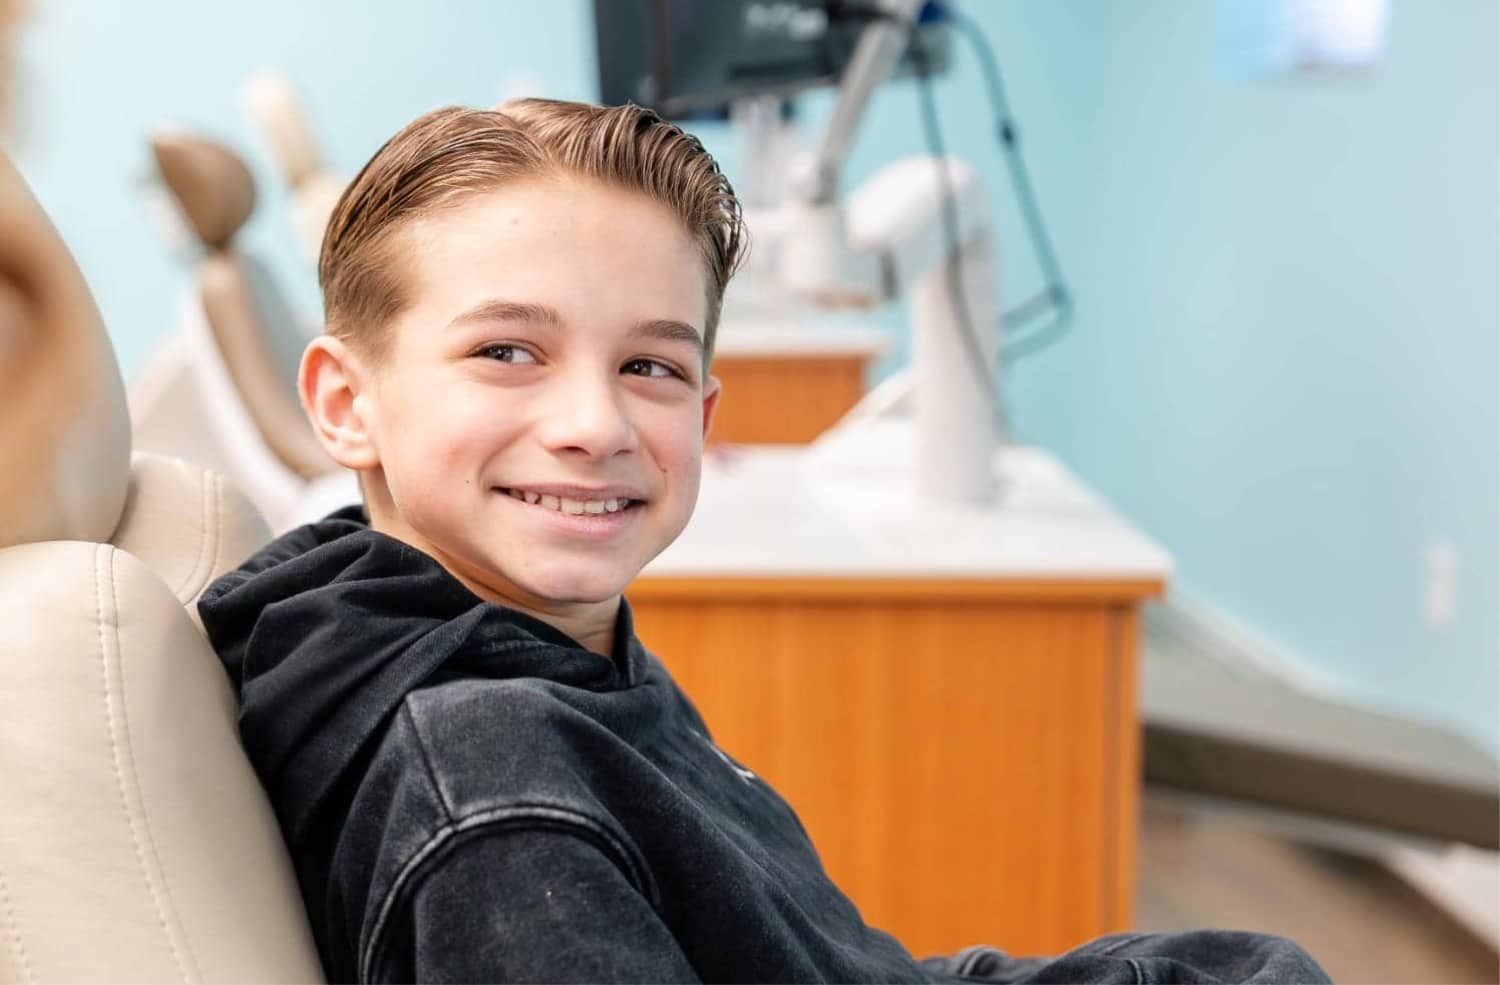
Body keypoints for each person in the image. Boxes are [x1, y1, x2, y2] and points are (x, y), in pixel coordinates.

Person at [197, 99, 1329, 984]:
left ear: (705, 414)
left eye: (651, 365)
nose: (594, 426)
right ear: (347, 403)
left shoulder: (524, 650)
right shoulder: (499, 804)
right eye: (508, 351)